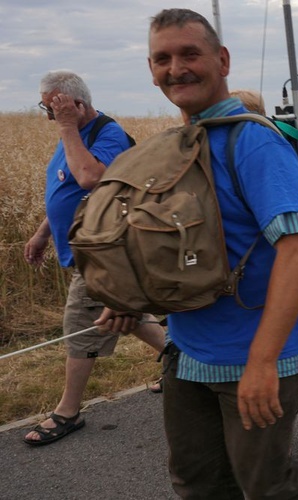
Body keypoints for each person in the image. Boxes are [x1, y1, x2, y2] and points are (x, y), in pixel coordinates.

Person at [98, 9, 298, 498]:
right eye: (162, 58)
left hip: (257, 355)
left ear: (221, 60)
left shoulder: (254, 142)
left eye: (189, 54)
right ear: (151, 68)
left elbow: (297, 253)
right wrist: (128, 295)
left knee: (268, 485)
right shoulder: (178, 145)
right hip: (187, 353)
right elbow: (168, 245)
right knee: (197, 483)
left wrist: (262, 363)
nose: (175, 68)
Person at [22, 71, 165, 446]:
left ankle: (67, 412)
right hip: (85, 248)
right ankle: (183, 360)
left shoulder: (108, 134)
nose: (49, 117)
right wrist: (42, 234)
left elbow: (89, 178)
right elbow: (64, 187)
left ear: (76, 104)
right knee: (125, 318)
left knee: (79, 323)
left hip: (104, 252)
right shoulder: (71, 136)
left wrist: (68, 126)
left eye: (52, 108)